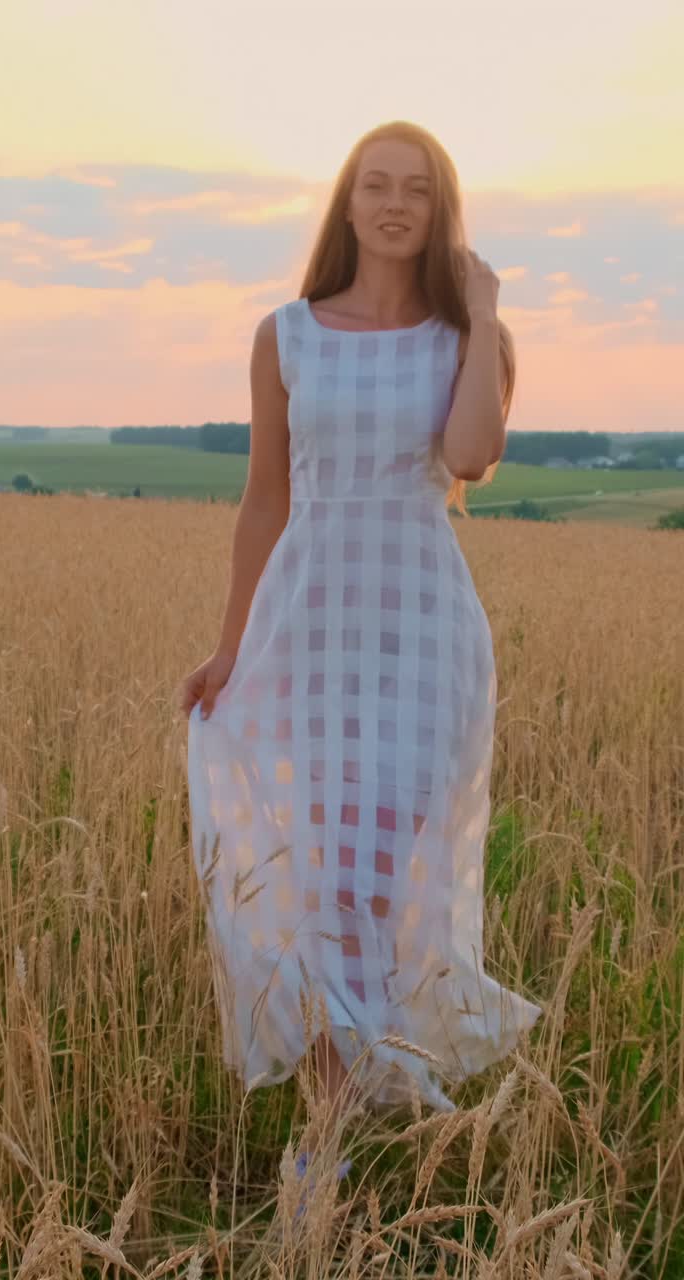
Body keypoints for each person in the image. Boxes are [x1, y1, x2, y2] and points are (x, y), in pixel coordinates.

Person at [179, 120, 543, 1156]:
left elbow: (469, 456)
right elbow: (263, 501)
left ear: (439, 210)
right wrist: (230, 646)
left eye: (415, 190)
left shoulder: (469, 337)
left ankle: (333, 1123)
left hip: (422, 641)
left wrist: (482, 312)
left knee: (370, 884)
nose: (393, 203)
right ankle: (333, 1124)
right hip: (306, 636)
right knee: (320, 878)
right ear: (346, 203)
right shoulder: (284, 336)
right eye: (375, 185)